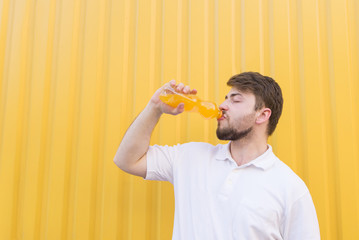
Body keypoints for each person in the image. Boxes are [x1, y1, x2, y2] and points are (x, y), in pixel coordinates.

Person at [114, 72, 320, 239]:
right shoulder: (189, 157)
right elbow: (127, 160)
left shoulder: (291, 188)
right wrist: (155, 107)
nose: (222, 105)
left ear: (262, 115)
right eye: (225, 98)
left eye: (236, 100)